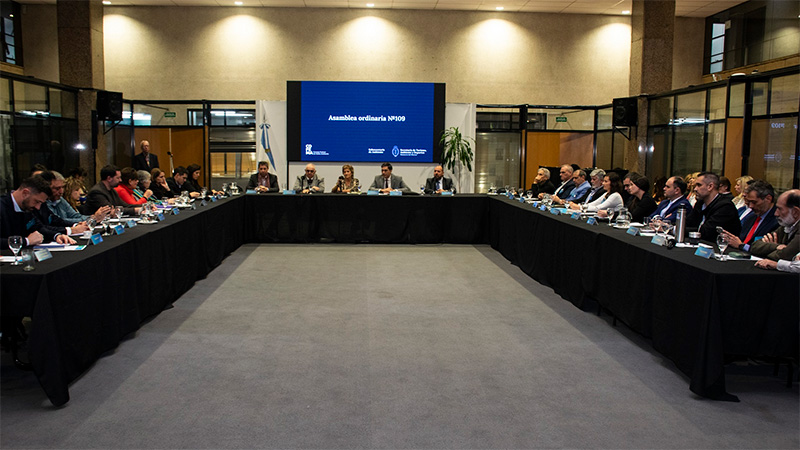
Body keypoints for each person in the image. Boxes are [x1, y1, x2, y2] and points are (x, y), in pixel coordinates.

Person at [1, 176, 75, 249]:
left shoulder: (27, 207)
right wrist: (26, 241)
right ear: (25, 193)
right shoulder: (2, 207)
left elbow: (38, 227)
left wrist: (56, 236)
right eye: (37, 202)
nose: (38, 207)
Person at [718, 180, 778, 253]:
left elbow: (767, 249)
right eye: (749, 202)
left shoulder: (778, 221)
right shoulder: (751, 217)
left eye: (754, 202)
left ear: (768, 198)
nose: (750, 206)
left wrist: (741, 245)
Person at [686, 171, 741, 242]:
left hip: (722, 249)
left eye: (699, 185)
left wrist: (678, 230)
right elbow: (688, 223)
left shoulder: (725, 206)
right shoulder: (700, 203)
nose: (695, 189)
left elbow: (706, 232)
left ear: (710, 187)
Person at [749, 190, 800, 262]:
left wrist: (767, 250)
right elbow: (754, 246)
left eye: (780, 209)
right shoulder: (786, 225)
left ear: (795, 212)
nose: (776, 213)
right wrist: (776, 246)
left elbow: (784, 256)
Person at [45, 170, 110, 225]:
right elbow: (59, 221)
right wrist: (92, 218)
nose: (61, 191)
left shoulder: (61, 200)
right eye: (57, 188)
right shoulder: (43, 203)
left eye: (63, 187)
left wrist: (93, 217)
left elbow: (75, 216)